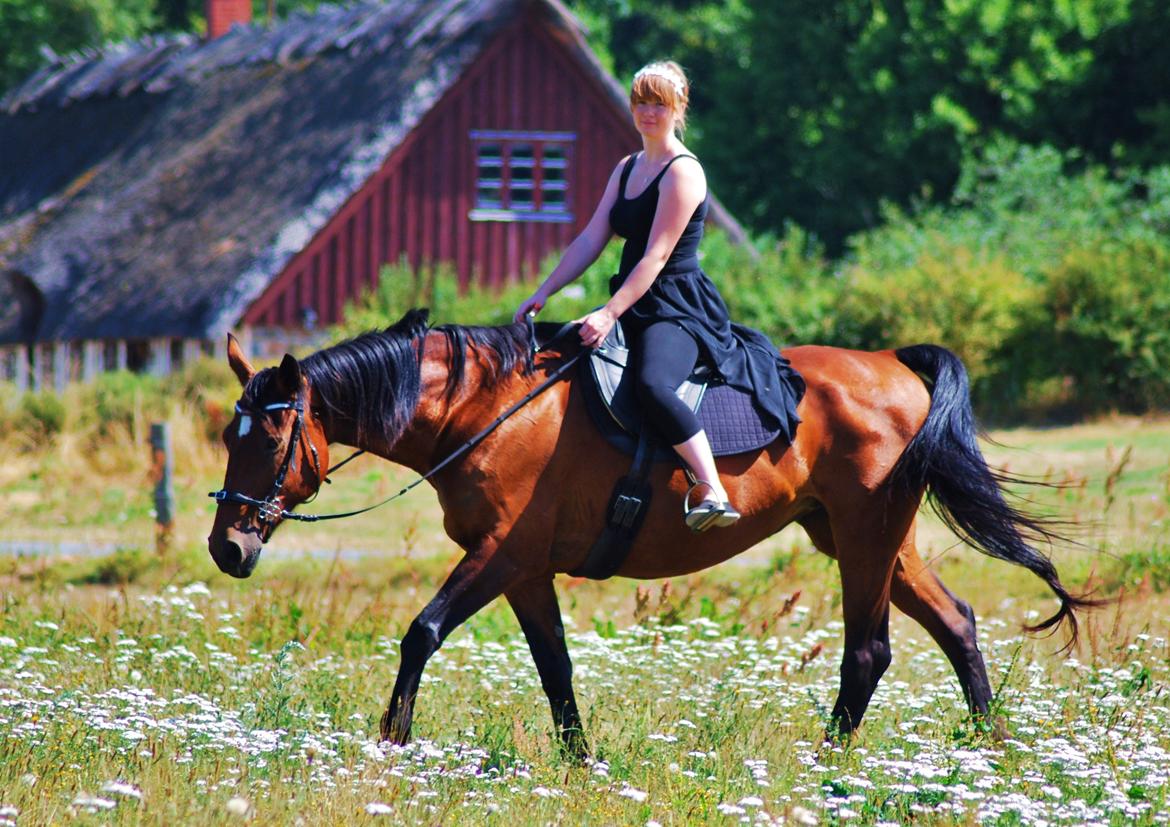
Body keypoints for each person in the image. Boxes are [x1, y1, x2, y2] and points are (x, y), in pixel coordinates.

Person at [515, 61, 803, 532]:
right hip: (634, 299)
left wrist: (608, 313)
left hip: (678, 308)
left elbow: (656, 255)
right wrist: (543, 292)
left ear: (679, 106)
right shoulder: (627, 167)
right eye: (641, 102)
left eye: (659, 103)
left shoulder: (683, 172)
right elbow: (592, 238)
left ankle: (712, 486)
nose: (649, 112)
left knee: (653, 384)